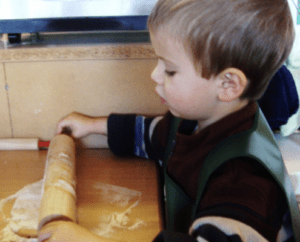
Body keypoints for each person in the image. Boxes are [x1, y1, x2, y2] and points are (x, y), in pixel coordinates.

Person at [38, 0, 299, 241]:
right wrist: (93, 125)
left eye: (170, 69)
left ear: (228, 84)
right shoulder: (194, 122)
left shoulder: (243, 182)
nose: (154, 75)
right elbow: (154, 136)